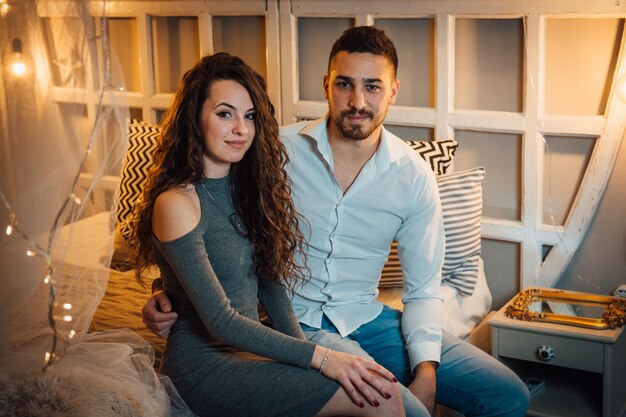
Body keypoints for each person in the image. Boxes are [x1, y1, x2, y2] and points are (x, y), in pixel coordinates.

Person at [143, 28, 530, 417]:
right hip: (299, 321)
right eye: (345, 84)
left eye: (373, 86)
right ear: (327, 85)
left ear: (393, 91)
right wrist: (169, 291)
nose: (357, 101)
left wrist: (427, 372)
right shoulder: (273, 152)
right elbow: (212, 234)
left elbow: (424, 291)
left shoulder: (414, 176)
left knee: (509, 395)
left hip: (368, 315)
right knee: (398, 407)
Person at [130, 52, 405, 417]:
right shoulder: (177, 202)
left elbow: (272, 288)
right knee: (380, 397)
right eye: (225, 113)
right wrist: (323, 359)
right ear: (195, 118)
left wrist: (302, 361)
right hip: (203, 369)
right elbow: (221, 321)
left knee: (380, 390)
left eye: (250, 117)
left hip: (249, 352)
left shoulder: (247, 187)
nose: (241, 129)